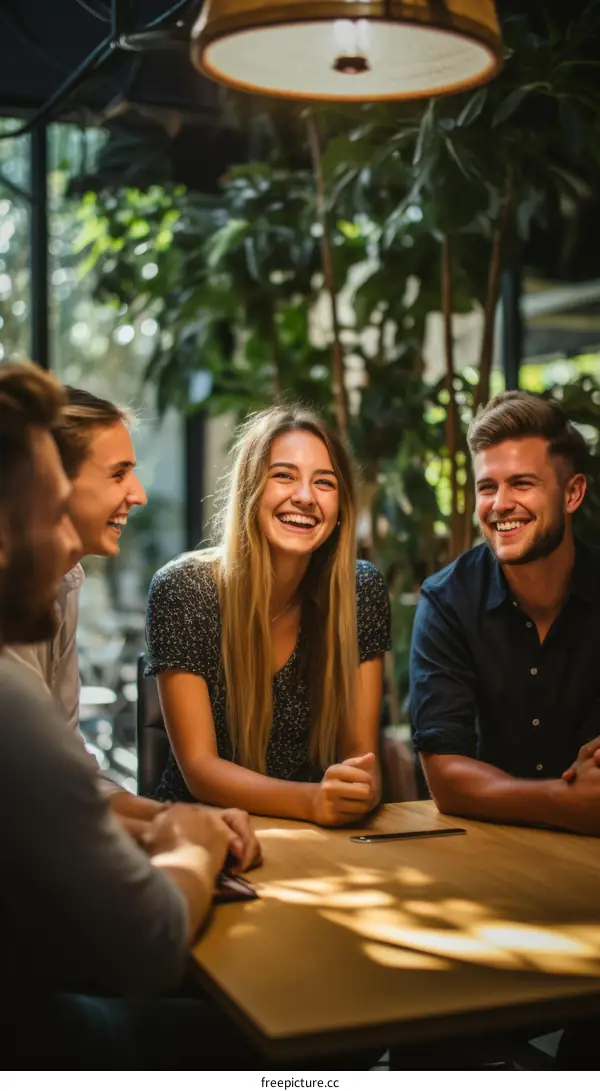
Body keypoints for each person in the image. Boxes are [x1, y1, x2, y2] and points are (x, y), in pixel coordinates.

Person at [0, 361, 262, 1068]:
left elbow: (66, 782)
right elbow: (147, 944)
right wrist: (191, 841)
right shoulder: (7, 696)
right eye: (46, 510)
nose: (139, 495)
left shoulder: (59, 591)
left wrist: (167, 821)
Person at [146, 405, 391, 824]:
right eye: (284, 475)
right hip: (204, 833)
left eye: (325, 483)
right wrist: (313, 802)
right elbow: (200, 770)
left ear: (341, 509)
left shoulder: (359, 590)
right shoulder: (184, 589)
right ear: (249, 490)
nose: (305, 497)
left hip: (319, 837)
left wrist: (360, 789)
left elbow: (360, 756)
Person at [410, 389, 600, 836]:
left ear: (572, 494)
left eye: (521, 483)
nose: (499, 504)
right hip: (487, 850)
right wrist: (564, 799)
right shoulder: (447, 602)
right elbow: (446, 777)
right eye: (487, 487)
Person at [1, 385, 168, 833]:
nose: (139, 495)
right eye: (118, 474)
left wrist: (168, 817)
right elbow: (42, 800)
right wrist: (179, 840)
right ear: (50, 484)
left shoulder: (66, 582)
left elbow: (70, 770)